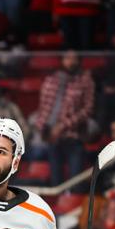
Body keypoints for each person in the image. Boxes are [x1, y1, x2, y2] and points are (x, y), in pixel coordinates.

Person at [34, 50, 95, 186]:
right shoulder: (51, 80)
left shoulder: (85, 81)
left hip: (73, 137)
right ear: (62, 60)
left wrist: (62, 126)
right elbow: (43, 109)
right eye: (68, 58)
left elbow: (87, 110)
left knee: (75, 182)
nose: (71, 61)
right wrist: (43, 129)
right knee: (56, 182)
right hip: (53, 139)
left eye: (74, 58)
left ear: (79, 60)